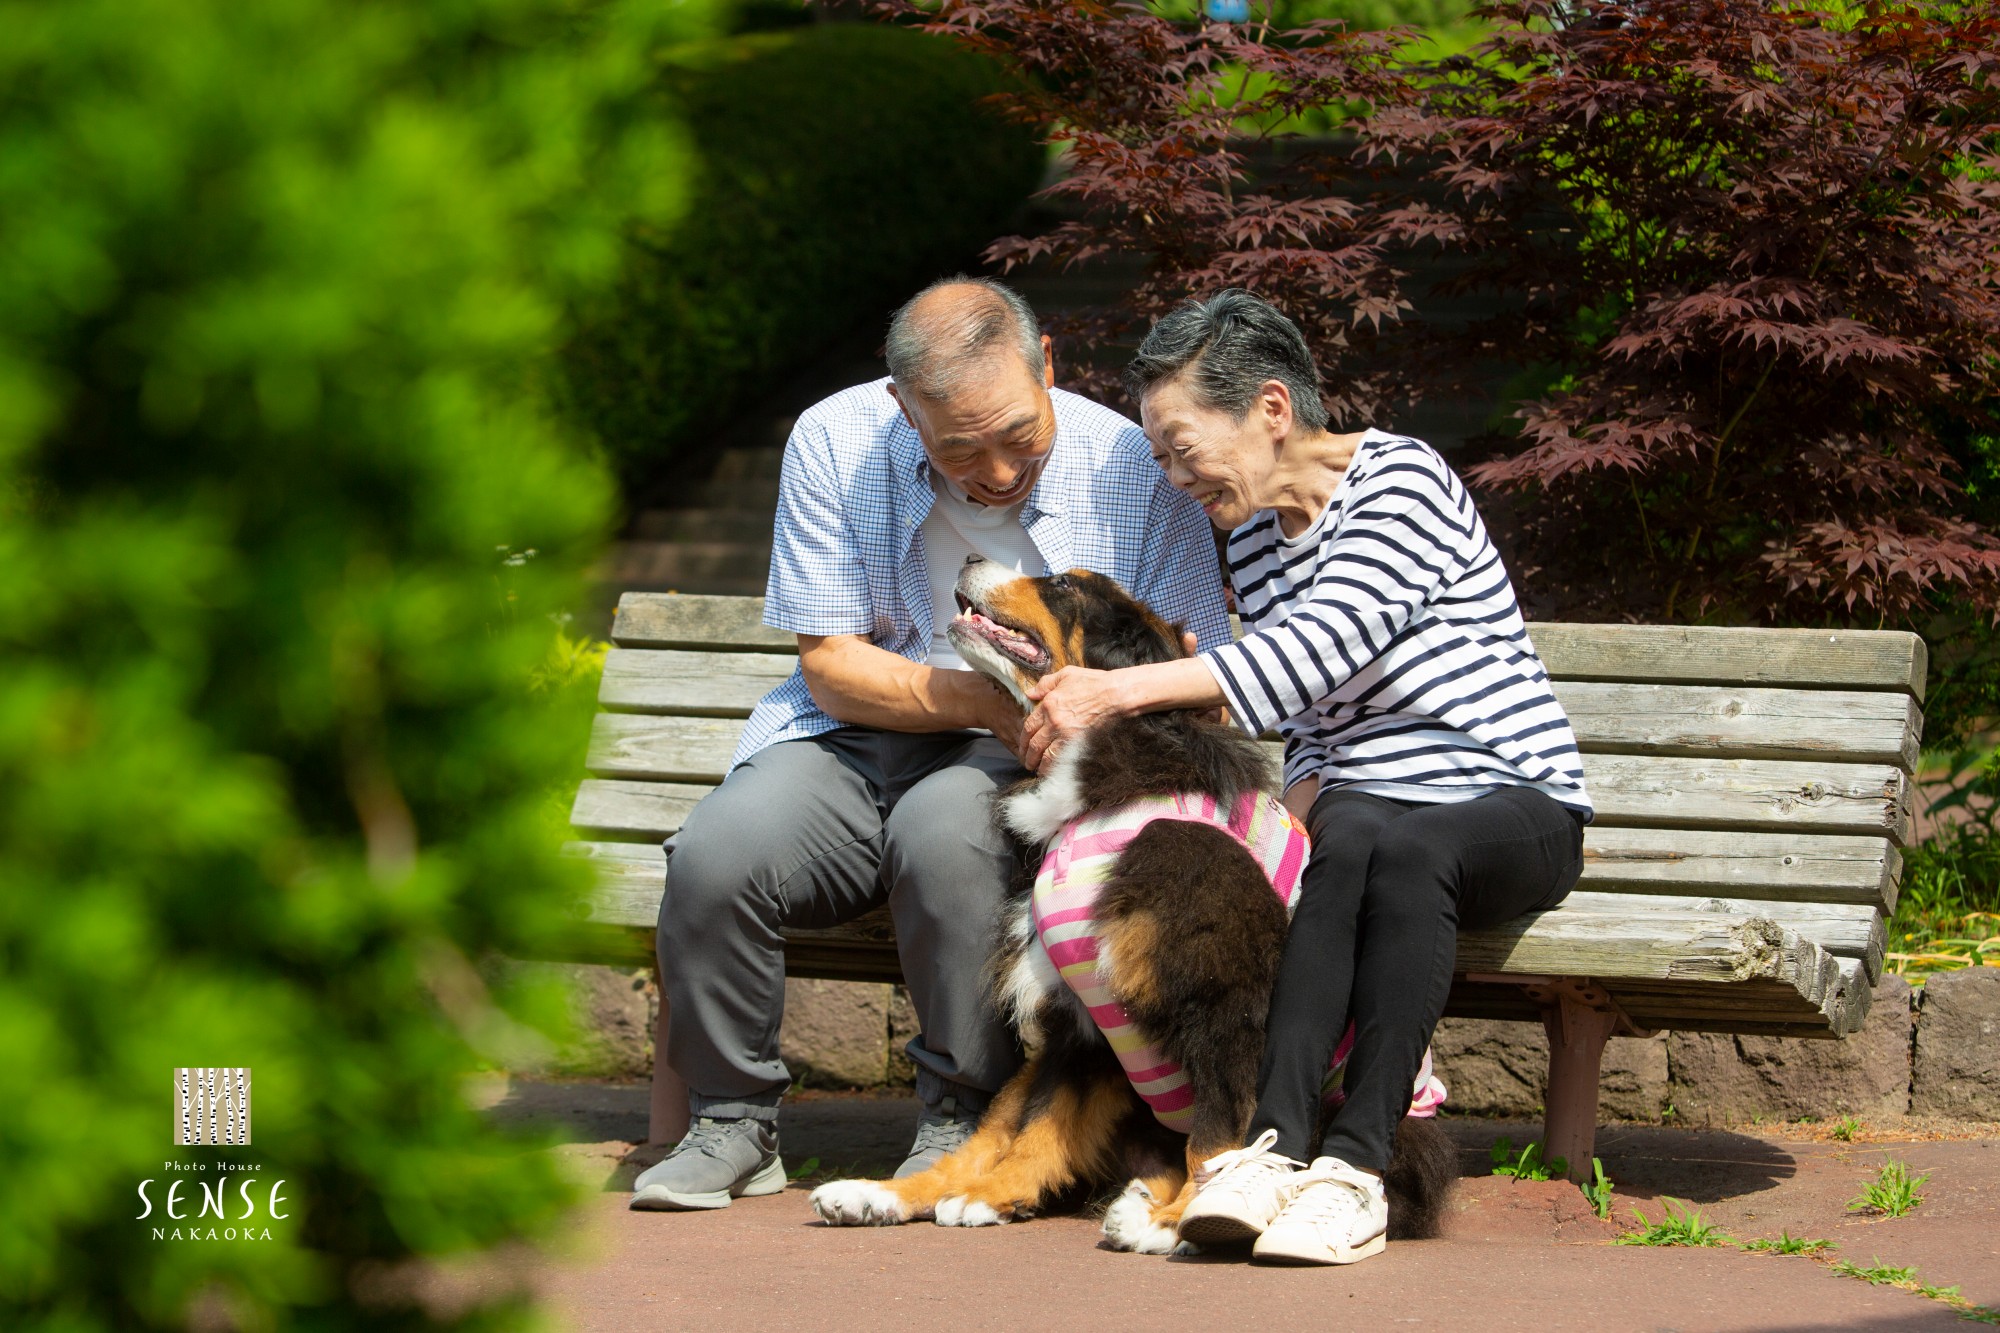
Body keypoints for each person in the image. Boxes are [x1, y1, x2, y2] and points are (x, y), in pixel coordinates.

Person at [631, 277, 1233, 1211]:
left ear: (1047, 367)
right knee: (718, 853)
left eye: (1019, 436)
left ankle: (956, 1111)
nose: (995, 471)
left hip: (1025, 755)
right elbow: (830, 662)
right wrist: (982, 702)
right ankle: (732, 1120)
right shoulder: (833, 441)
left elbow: (1186, 666)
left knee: (948, 832)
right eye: (960, 448)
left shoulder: (1132, 467)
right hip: (851, 731)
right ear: (900, 404)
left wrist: (1057, 716)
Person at [1021, 289, 1592, 1264]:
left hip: (1510, 801)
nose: (1169, 474)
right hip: (1372, 816)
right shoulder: (1252, 534)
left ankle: (1356, 1172)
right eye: (1155, 453)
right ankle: (1266, 1150)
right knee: (1348, 840)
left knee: (1401, 844)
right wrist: (1277, 826)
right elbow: (1317, 729)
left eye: (1179, 444)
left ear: (1271, 410)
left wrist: (1115, 693)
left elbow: (1311, 656)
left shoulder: (1401, 482)